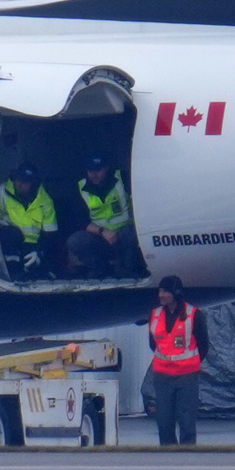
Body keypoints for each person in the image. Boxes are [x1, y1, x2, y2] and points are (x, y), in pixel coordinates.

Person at [148, 275, 208, 446]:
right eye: (160, 291)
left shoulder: (193, 314)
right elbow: (153, 344)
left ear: (175, 293)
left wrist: (190, 363)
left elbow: (204, 345)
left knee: (186, 418)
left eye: (165, 291)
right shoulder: (155, 314)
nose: (161, 295)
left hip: (186, 375)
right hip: (162, 375)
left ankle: (188, 457)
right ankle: (167, 457)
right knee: (164, 420)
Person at [66, 152, 143, 279]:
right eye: (90, 170)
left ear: (106, 168)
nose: (93, 174)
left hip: (125, 234)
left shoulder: (122, 178)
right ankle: (99, 268)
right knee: (76, 240)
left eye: (97, 170)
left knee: (130, 234)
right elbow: (80, 220)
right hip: (100, 236)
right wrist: (102, 232)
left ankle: (128, 269)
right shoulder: (80, 187)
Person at [0, 162, 58, 281]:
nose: (20, 184)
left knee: (42, 273)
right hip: (8, 244)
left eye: (25, 181)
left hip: (33, 247)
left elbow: (50, 235)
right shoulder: (1, 192)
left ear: (34, 183)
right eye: (18, 179)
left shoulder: (45, 202)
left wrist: (39, 253)